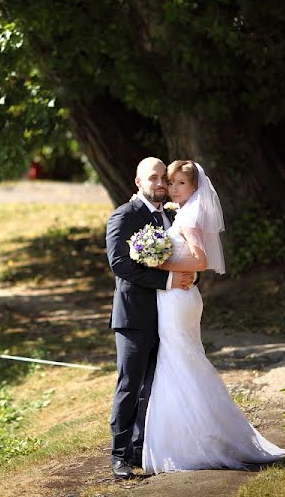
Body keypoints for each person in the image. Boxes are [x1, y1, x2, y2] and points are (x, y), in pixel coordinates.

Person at [141, 159, 285, 473]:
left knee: (179, 361)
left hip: (178, 297)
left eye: (182, 183)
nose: (174, 188)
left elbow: (200, 259)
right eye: (172, 182)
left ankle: (198, 442)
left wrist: (159, 265)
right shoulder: (183, 210)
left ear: (195, 186)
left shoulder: (191, 215)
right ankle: (191, 436)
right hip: (177, 297)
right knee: (183, 360)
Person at [105, 157, 195, 479]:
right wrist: (168, 281)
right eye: (153, 178)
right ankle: (119, 455)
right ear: (138, 182)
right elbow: (120, 265)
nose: (160, 184)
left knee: (154, 386)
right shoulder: (124, 216)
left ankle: (143, 448)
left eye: (163, 179)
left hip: (166, 316)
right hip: (134, 317)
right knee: (129, 385)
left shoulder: (170, 216)